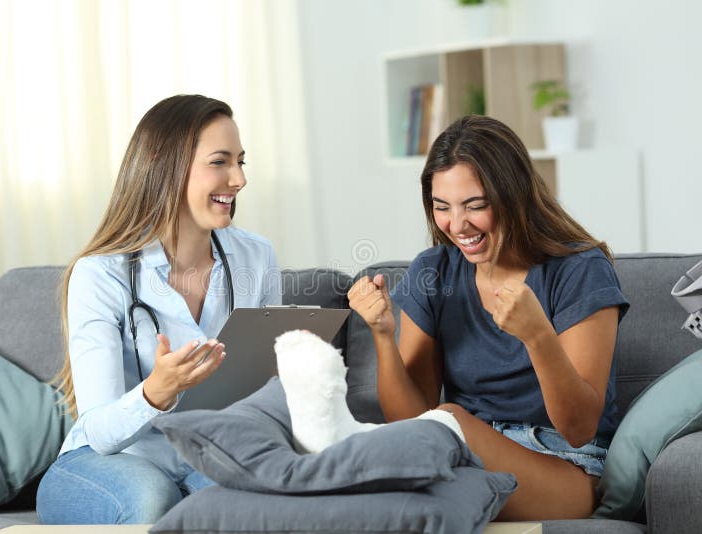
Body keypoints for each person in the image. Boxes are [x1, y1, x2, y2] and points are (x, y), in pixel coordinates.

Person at [294, 115, 627, 521]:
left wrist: (538, 337)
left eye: (475, 205)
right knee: (400, 462)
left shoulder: (579, 269)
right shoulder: (433, 271)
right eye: (442, 207)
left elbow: (579, 428)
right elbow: (410, 421)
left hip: (563, 466)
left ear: (513, 195)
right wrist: (382, 334)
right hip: (461, 456)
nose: (457, 225)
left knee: (443, 424)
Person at [36, 94, 281, 524]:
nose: (239, 179)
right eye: (220, 162)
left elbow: (267, 389)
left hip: (205, 451)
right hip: (105, 460)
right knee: (152, 497)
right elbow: (101, 433)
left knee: (251, 497)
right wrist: (156, 393)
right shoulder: (100, 274)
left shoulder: (256, 257)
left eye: (241, 161)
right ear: (165, 164)